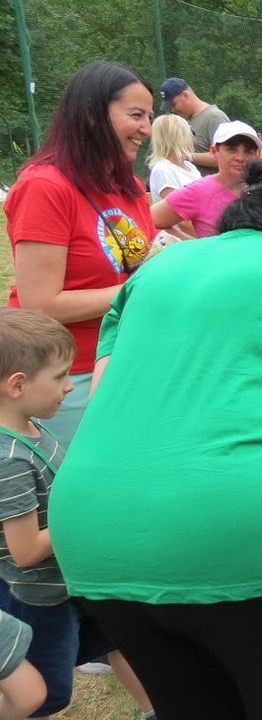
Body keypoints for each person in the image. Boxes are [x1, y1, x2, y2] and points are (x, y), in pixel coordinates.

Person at [49, 161, 262, 720]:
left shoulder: (156, 268)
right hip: (241, 525)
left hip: (95, 530)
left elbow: (106, 395)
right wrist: (245, 455)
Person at [0, 309, 157, 720]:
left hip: (75, 580)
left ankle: (155, 714)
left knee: (117, 642)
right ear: (17, 385)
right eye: (61, 376)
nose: (71, 386)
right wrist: (84, 511)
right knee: (40, 699)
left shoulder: (31, 426)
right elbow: (26, 550)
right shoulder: (9, 460)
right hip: (40, 598)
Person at [4, 60, 157, 447]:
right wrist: (144, 287)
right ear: (91, 115)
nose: (147, 129)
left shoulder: (130, 187)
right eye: (136, 115)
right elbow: (39, 305)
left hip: (128, 361)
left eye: (150, 117)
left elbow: (139, 264)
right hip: (66, 376)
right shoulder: (45, 186)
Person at [150, 121, 261, 238]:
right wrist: (192, 245)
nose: (240, 157)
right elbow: (149, 220)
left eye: (248, 151)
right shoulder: (198, 191)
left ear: (257, 155)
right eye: (231, 149)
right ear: (214, 151)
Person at [159, 77, 229, 176]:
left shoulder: (214, 117)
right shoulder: (184, 121)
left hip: (213, 189)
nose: (173, 110)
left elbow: (225, 157)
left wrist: (185, 156)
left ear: (185, 95)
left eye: (173, 104)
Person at [145, 114, 200, 204]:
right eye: (190, 133)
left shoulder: (190, 166)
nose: (193, 138)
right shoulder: (163, 170)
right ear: (178, 138)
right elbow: (176, 209)